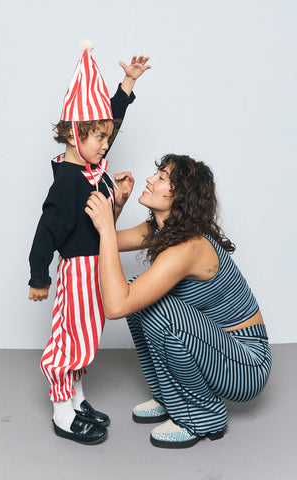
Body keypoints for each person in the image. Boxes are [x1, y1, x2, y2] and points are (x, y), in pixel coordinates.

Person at [85, 153, 272, 449]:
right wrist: (116, 207)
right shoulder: (162, 232)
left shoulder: (188, 247)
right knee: (141, 297)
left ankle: (204, 416)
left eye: (160, 178)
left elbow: (116, 306)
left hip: (247, 365)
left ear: (181, 195)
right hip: (219, 348)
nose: (149, 180)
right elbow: (102, 244)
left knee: (155, 306)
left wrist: (106, 224)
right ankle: (170, 398)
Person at [28, 40, 150, 445]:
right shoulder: (66, 181)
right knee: (72, 336)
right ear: (73, 135)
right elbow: (45, 230)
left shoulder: (93, 165)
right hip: (78, 269)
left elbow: (110, 117)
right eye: (97, 137)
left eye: (106, 137)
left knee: (87, 335)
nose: (105, 143)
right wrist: (39, 276)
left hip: (98, 263)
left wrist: (127, 85)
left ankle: (76, 396)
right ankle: (62, 406)